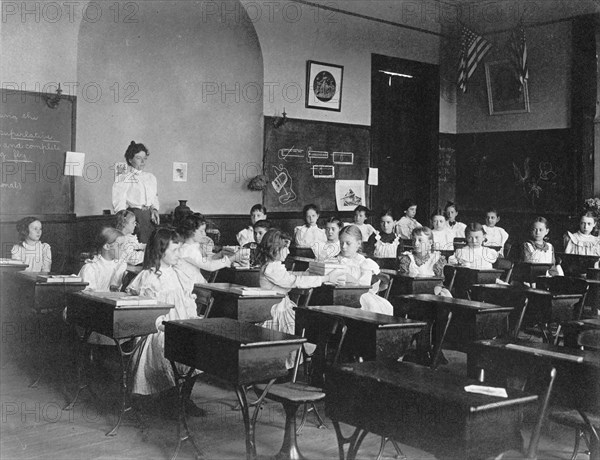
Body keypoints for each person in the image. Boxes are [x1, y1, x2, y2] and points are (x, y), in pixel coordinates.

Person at [126, 227, 204, 416]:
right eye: (174, 250)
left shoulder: (176, 273)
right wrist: (169, 327)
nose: (179, 254)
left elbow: (184, 303)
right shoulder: (150, 277)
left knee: (201, 345)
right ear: (161, 251)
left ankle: (183, 397)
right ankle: (171, 399)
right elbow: (148, 314)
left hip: (179, 324)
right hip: (156, 331)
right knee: (174, 346)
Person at [257, 229, 344, 368]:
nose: (288, 252)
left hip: (280, 307)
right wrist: (326, 278)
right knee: (306, 329)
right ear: (275, 248)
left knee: (307, 326)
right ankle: (304, 358)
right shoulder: (271, 269)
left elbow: (292, 276)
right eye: (285, 248)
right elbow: (294, 281)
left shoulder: (272, 266)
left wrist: (309, 272)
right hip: (275, 312)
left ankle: (307, 353)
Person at [74, 227, 128, 345]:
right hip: (91, 310)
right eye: (120, 245)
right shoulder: (91, 267)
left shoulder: (120, 265)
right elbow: (88, 298)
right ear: (106, 246)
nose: (124, 249)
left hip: (110, 309)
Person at [334, 225, 394, 315]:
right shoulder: (335, 261)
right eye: (341, 243)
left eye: (348, 243)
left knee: (380, 306)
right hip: (339, 296)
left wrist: (375, 289)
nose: (343, 247)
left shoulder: (364, 263)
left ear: (358, 243)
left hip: (362, 296)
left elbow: (381, 281)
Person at [112, 141, 159, 244]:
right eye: (138, 158)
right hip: (134, 217)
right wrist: (124, 221)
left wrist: (154, 209)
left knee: (150, 246)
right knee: (136, 246)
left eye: (144, 158)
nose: (142, 161)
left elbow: (154, 196)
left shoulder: (151, 177)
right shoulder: (123, 178)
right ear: (130, 160)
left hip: (149, 217)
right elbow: (119, 200)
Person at [177, 213, 239, 284]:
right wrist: (232, 258)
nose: (204, 234)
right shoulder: (187, 250)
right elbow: (210, 266)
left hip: (197, 285)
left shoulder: (192, 247)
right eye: (201, 231)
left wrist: (219, 255)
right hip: (193, 288)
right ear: (191, 231)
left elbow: (202, 261)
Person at [398, 227, 451, 296]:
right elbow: (404, 282)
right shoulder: (407, 258)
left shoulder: (436, 259)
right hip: (412, 293)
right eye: (414, 240)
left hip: (433, 292)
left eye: (420, 240)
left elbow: (440, 282)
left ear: (430, 242)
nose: (416, 243)